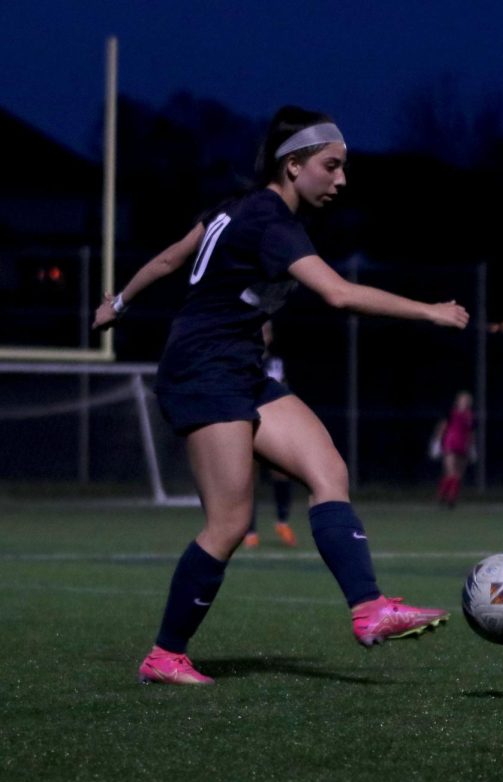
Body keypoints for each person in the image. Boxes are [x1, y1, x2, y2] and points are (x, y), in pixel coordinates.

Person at [93, 106, 470, 686]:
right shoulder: (270, 222)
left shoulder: (233, 208)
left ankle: (369, 609)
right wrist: (429, 311)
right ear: (293, 165)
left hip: (242, 368)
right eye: (332, 166)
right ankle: (165, 655)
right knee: (229, 522)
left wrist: (118, 303)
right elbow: (339, 296)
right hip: (203, 371)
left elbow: (173, 257)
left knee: (328, 471)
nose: (341, 179)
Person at [244, 321, 296, 548]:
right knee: (248, 478)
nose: (263, 334)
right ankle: (249, 531)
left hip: (274, 424)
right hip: (248, 422)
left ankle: (282, 522)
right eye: (260, 329)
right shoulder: (242, 359)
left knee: (282, 471)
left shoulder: (276, 363)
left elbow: (283, 391)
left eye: (266, 330)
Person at [432, 391, 474, 508]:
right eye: (463, 400)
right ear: (458, 401)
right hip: (450, 443)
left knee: (458, 475)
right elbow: (442, 427)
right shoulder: (451, 413)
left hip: (463, 445)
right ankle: (441, 496)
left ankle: (452, 499)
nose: (465, 402)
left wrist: (472, 448)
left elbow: (471, 432)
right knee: (450, 473)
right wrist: (436, 443)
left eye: (467, 400)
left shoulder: (469, 415)